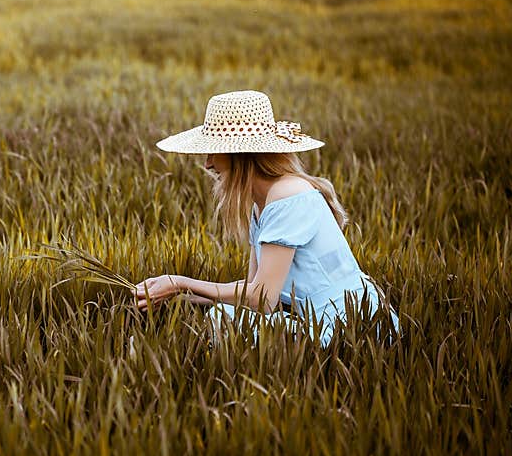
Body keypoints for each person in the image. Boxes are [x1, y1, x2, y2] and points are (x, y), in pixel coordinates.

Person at [132, 90, 400, 348]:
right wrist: (179, 296)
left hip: (352, 325)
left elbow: (262, 298)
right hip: (315, 319)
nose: (208, 164)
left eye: (214, 152)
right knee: (225, 316)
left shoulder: (286, 195)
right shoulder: (262, 204)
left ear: (239, 154)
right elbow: (256, 296)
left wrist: (181, 281)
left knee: (222, 321)